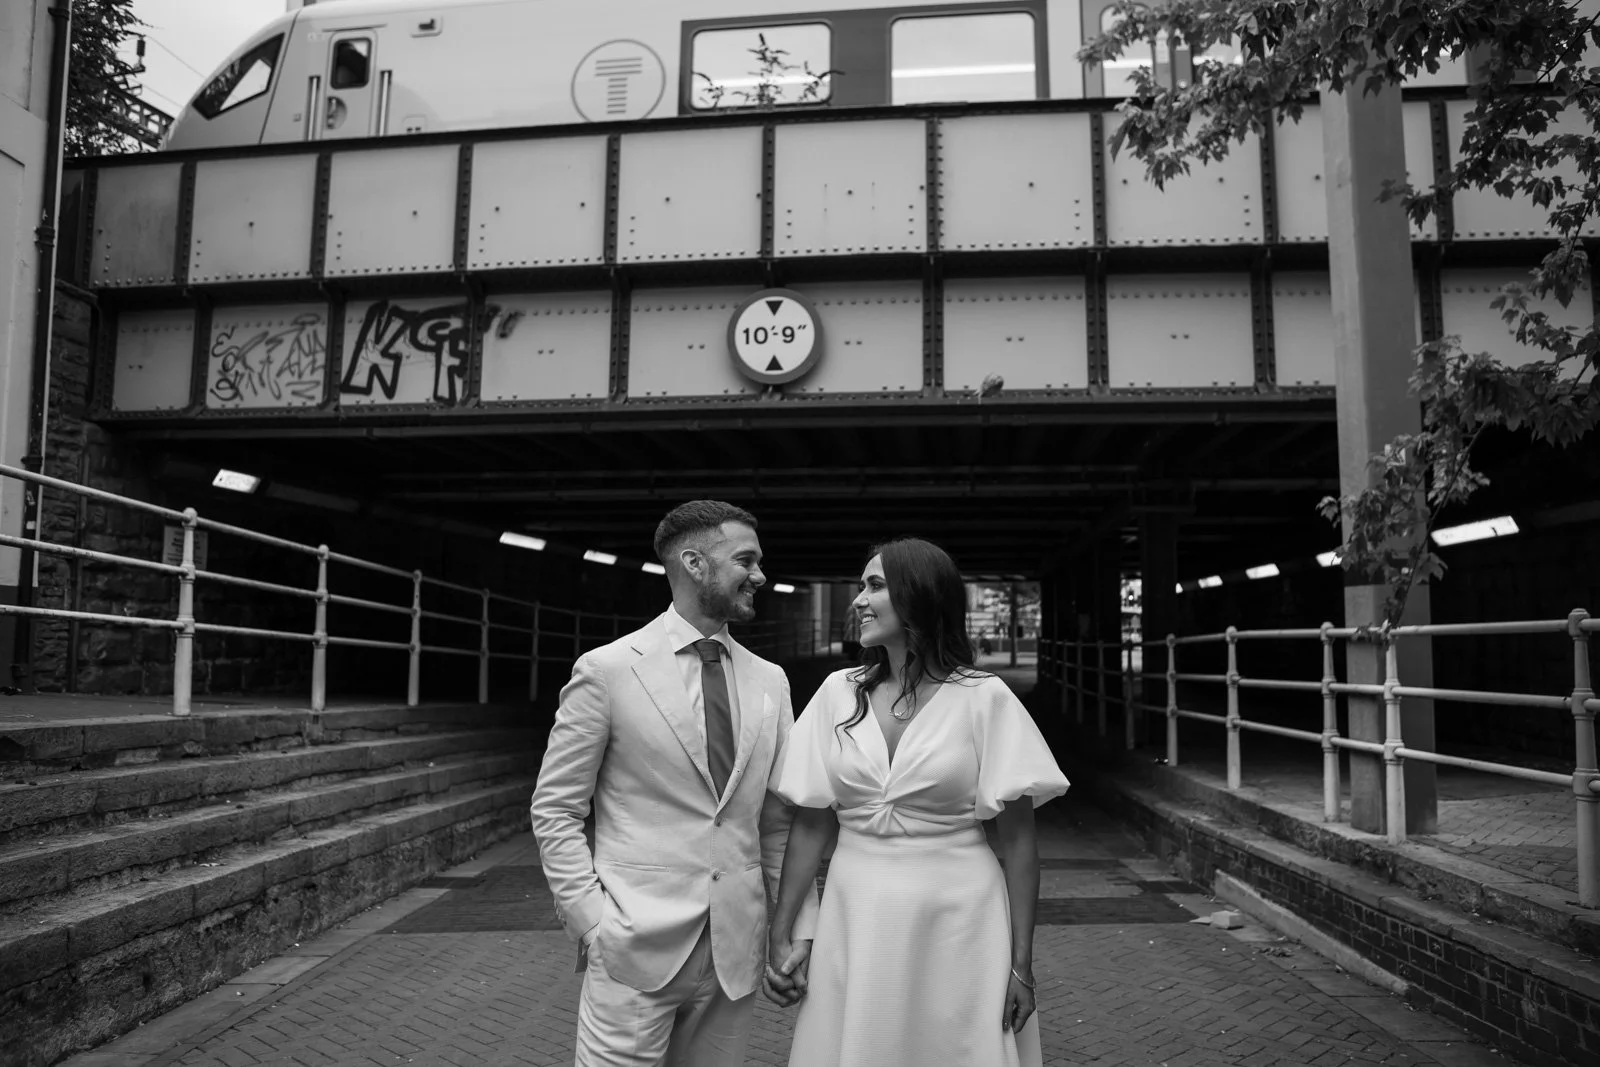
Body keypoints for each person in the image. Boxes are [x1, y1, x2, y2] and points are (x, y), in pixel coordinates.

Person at [529, 500, 819, 1067]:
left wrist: (793, 930)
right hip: (634, 950)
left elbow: (778, 823)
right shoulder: (607, 670)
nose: (760, 575)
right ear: (694, 563)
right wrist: (592, 924)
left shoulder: (772, 682)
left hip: (735, 954)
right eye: (746, 560)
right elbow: (556, 809)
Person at [764, 538, 1069, 1067]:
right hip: (853, 913)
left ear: (919, 596)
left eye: (875, 585)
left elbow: (1019, 844)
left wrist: (1021, 964)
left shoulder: (985, 697)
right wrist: (783, 928)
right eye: (860, 586)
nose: (858, 599)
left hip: (960, 916)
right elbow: (812, 825)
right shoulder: (837, 692)